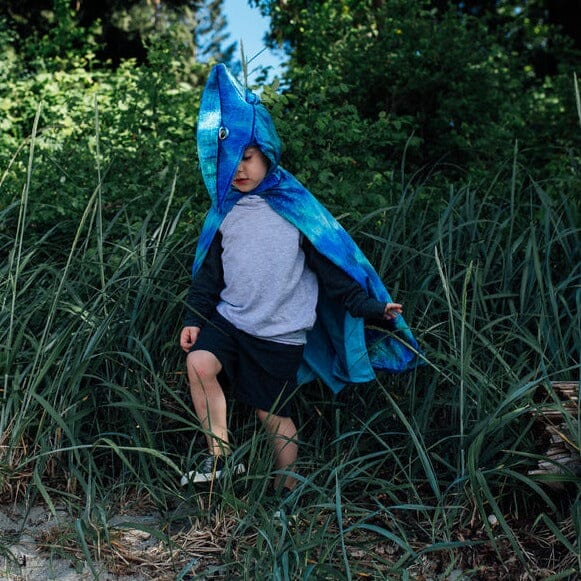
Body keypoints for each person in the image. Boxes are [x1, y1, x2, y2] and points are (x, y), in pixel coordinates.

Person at [179, 64, 420, 505]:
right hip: (230, 320)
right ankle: (220, 456)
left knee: (272, 415)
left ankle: (289, 489)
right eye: (231, 162)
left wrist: (372, 307)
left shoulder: (295, 208)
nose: (238, 170)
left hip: (279, 333)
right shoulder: (224, 212)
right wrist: (195, 318)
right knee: (199, 365)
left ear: (267, 152)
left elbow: (334, 272)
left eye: (247, 158)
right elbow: (208, 278)